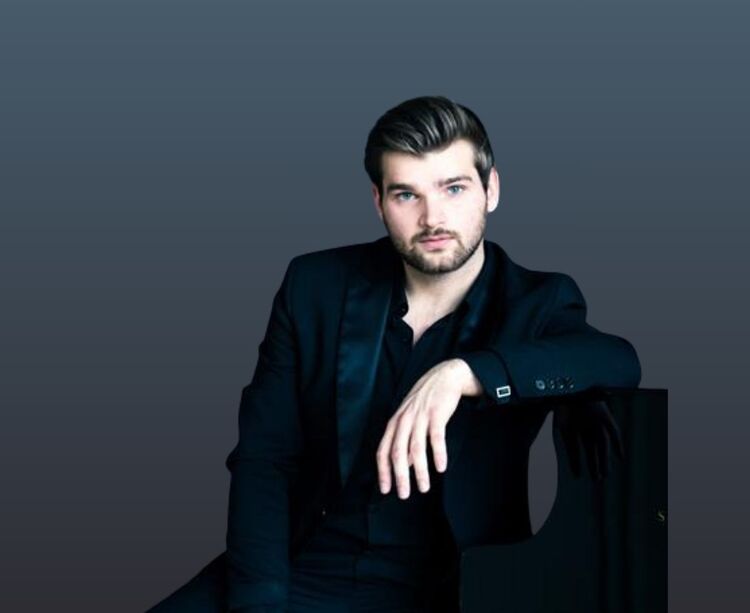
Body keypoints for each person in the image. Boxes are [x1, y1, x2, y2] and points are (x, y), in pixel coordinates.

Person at [146, 95, 641, 613]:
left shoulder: (537, 301)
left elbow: (617, 360)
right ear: (378, 200)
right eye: (407, 195)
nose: (433, 218)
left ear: (491, 190)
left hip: (445, 587)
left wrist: (466, 372)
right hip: (295, 567)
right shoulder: (314, 286)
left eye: (454, 188)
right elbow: (264, 458)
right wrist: (261, 602)